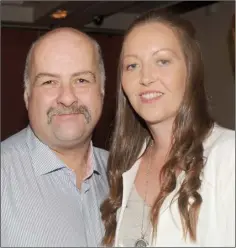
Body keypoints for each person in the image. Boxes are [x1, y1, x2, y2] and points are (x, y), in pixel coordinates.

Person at [100, 10, 235, 247]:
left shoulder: (227, 156)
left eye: (162, 61)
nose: (146, 77)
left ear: (191, 70)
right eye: (132, 65)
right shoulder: (126, 163)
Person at [1, 27, 109, 247]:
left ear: (102, 92)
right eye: (49, 82)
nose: (67, 98)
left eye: (81, 80)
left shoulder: (125, 174)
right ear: (27, 96)